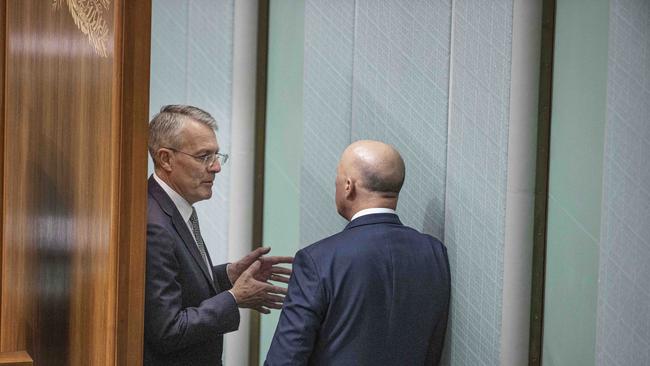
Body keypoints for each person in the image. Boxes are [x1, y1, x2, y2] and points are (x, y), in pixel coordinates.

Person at [265, 140, 451, 366]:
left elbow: (286, 359)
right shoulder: (434, 253)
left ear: (348, 186)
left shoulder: (317, 260)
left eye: (337, 177)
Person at [145, 105, 292, 366]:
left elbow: (179, 283)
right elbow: (168, 330)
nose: (216, 168)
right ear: (166, 159)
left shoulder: (175, 209)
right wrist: (235, 298)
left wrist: (228, 275)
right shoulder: (154, 223)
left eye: (216, 156)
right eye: (203, 156)